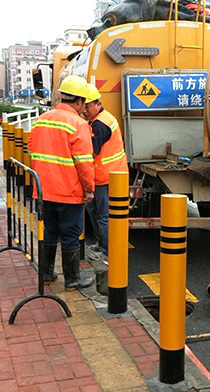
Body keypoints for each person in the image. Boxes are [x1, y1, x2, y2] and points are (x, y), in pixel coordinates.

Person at [28, 75, 95, 291]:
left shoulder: (41, 120)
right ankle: (72, 280)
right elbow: (84, 163)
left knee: (49, 231)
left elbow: (31, 147)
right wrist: (89, 189)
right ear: (79, 101)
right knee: (70, 234)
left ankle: (47, 274)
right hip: (68, 191)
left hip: (43, 190)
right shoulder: (78, 125)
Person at [82, 83, 128, 263]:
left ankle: (106, 251)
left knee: (103, 215)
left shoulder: (100, 125)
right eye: (83, 105)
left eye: (87, 106)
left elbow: (91, 153)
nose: (84, 110)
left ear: (98, 103)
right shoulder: (101, 119)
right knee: (95, 212)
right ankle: (102, 244)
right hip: (108, 174)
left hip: (106, 176)